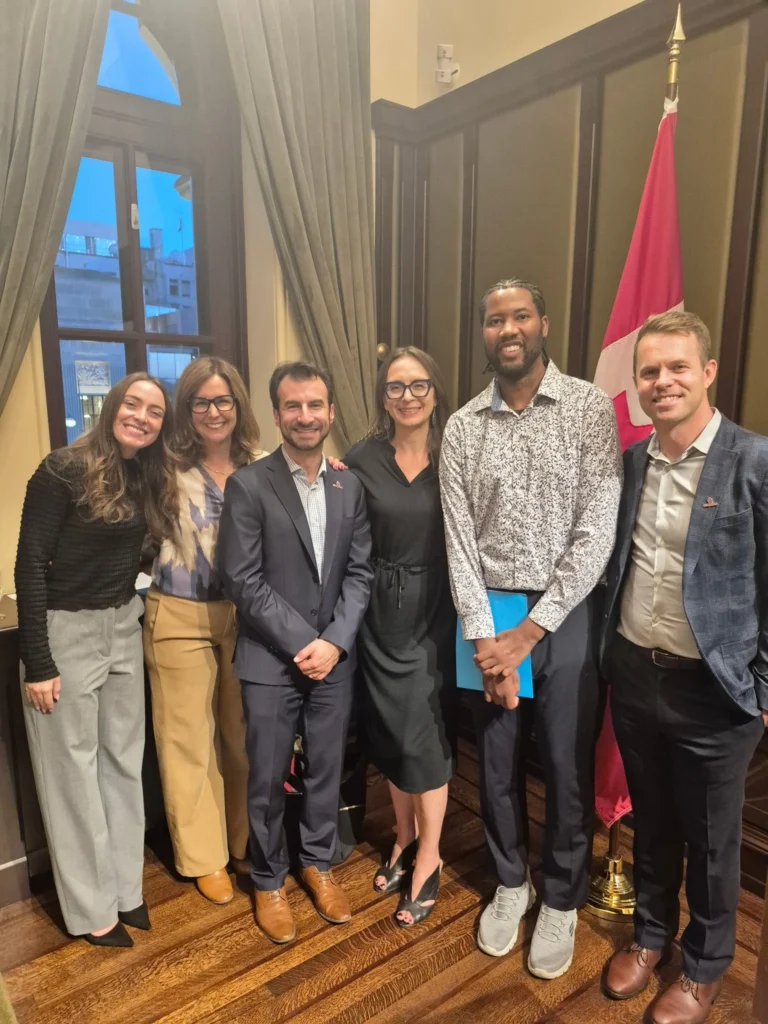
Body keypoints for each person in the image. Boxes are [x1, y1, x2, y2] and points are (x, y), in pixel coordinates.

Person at [439, 278, 622, 979]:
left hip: (565, 614)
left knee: (567, 766)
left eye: (520, 316)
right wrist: (487, 635)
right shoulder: (463, 427)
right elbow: (458, 540)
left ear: (543, 323)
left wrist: (533, 629)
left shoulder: (588, 408)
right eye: (494, 320)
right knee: (494, 763)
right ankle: (511, 881)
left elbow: (597, 528)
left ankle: (562, 897)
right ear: (483, 332)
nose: (507, 329)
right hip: (487, 614)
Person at [601, 311, 768, 1024]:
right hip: (636, 674)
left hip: (717, 691)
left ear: (707, 372)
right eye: (649, 371)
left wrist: (764, 688)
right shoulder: (632, 461)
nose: (662, 381)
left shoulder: (755, 461)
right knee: (653, 820)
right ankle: (649, 937)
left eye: (677, 367)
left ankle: (703, 969)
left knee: (712, 841)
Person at [16, 372, 177, 947]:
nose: (141, 417)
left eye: (154, 411)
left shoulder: (145, 473)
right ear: (111, 406)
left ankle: (125, 890)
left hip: (123, 625)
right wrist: (39, 662)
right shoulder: (62, 469)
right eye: (132, 403)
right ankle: (91, 910)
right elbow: (29, 564)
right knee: (73, 774)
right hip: (66, 632)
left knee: (123, 765)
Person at [217, 361, 372, 944]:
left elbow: (360, 573)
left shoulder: (349, 485)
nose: (304, 416)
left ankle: (317, 864)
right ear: (277, 413)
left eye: (314, 405)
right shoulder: (249, 485)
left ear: (330, 412)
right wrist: (305, 641)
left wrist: (334, 642)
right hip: (269, 658)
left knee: (327, 769)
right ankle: (267, 879)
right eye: (292, 406)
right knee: (266, 776)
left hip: (333, 659)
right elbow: (241, 577)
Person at [143, 357, 266, 905]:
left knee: (241, 739)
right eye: (201, 402)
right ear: (186, 409)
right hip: (179, 614)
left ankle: (241, 842)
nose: (213, 412)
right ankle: (203, 856)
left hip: (247, 618)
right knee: (187, 740)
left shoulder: (263, 465)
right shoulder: (162, 466)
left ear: (238, 404)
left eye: (223, 401)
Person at [345, 346, 456, 928]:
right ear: (383, 397)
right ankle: (403, 837)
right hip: (376, 613)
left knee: (423, 736)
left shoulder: (457, 451)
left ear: (435, 392)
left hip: (435, 611)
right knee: (390, 731)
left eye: (418, 385)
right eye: (395, 387)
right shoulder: (361, 457)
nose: (407, 396)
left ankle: (430, 856)